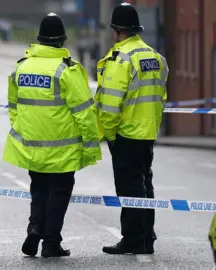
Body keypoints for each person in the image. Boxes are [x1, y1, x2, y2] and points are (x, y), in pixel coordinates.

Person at [2, 13, 101, 258]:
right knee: (59, 192)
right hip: (62, 149)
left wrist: (24, 131)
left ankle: (35, 227)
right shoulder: (67, 70)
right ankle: (50, 243)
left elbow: (13, 107)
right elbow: (84, 113)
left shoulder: (21, 67)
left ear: (39, 39)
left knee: (38, 188)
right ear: (62, 40)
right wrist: (91, 146)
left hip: (31, 145)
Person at [94, 3, 168, 255]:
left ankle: (133, 238)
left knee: (129, 188)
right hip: (147, 131)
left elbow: (111, 103)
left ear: (117, 32)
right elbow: (162, 96)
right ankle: (147, 236)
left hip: (126, 133)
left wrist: (110, 134)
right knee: (145, 184)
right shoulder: (155, 58)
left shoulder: (120, 59)